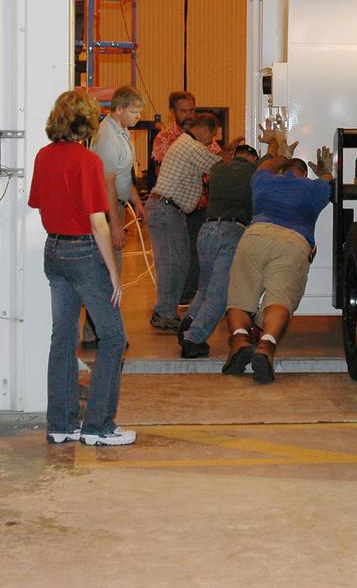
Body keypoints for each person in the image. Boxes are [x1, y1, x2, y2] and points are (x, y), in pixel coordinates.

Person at [28, 89, 134, 446]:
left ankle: (61, 423)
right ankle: (99, 426)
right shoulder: (88, 162)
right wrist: (114, 275)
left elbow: (39, 204)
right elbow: (98, 223)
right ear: (88, 121)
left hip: (54, 251)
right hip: (84, 253)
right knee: (114, 336)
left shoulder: (44, 156)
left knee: (64, 339)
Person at [221, 137, 334, 384]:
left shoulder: (264, 181)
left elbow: (263, 167)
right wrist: (324, 170)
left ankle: (239, 340)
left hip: (256, 235)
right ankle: (266, 346)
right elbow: (327, 180)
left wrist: (281, 155)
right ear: (304, 174)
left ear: (283, 171)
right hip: (293, 243)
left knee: (241, 295)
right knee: (279, 299)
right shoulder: (314, 188)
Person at [177, 143, 261, 358]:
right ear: (252, 158)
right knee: (220, 294)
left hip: (207, 230)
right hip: (232, 231)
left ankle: (189, 322)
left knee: (204, 287)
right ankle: (193, 338)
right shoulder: (254, 170)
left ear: (234, 155)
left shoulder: (217, 168)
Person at [145, 111, 223, 331]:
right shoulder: (193, 147)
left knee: (178, 262)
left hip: (169, 210)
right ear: (205, 130)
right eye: (212, 137)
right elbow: (219, 167)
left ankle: (165, 311)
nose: (212, 142)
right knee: (172, 264)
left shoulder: (185, 143)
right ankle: (164, 313)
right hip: (166, 210)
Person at [85, 85, 146, 346]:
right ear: (119, 109)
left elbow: (123, 177)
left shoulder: (123, 133)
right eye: (133, 111)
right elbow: (107, 183)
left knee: (109, 274)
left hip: (118, 204)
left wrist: (137, 202)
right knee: (108, 273)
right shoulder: (108, 137)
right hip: (108, 212)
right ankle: (105, 333)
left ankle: (97, 331)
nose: (138, 116)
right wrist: (116, 225)